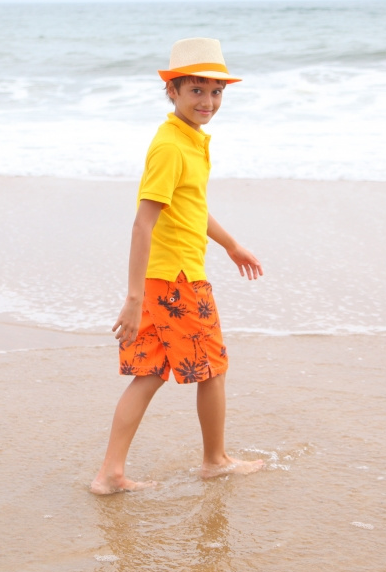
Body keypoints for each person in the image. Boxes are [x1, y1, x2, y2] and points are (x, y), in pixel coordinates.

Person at [90, 38, 265, 495]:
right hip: (179, 279)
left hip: (163, 277)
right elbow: (142, 223)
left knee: (149, 373)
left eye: (216, 92)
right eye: (196, 91)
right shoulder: (170, 146)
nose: (208, 102)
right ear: (172, 91)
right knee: (213, 368)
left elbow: (190, 206)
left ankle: (110, 474)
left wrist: (230, 245)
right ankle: (215, 461)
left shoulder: (189, 140)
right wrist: (131, 300)